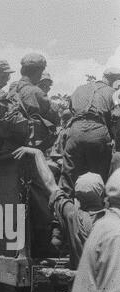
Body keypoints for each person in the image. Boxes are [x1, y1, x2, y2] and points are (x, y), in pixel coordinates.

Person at [14, 147, 105, 269]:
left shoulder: (72, 215)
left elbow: (50, 183)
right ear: (102, 194)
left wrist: (38, 154)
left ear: (77, 196)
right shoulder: (113, 220)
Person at [59, 67, 120, 196]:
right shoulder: (113, 92)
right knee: (98, 179)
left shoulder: (80, 88)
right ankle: (96, 212)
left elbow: (70, 111)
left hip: (75, 131)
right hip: (98, 131)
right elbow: (116, 116)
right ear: (115, 81)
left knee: (68, 177)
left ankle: (64, 209)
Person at [8, 53, 58, 124]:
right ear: (39, 72)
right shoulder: (36, 92)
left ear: (22, 70)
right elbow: (54, 118)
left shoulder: (13, 90)